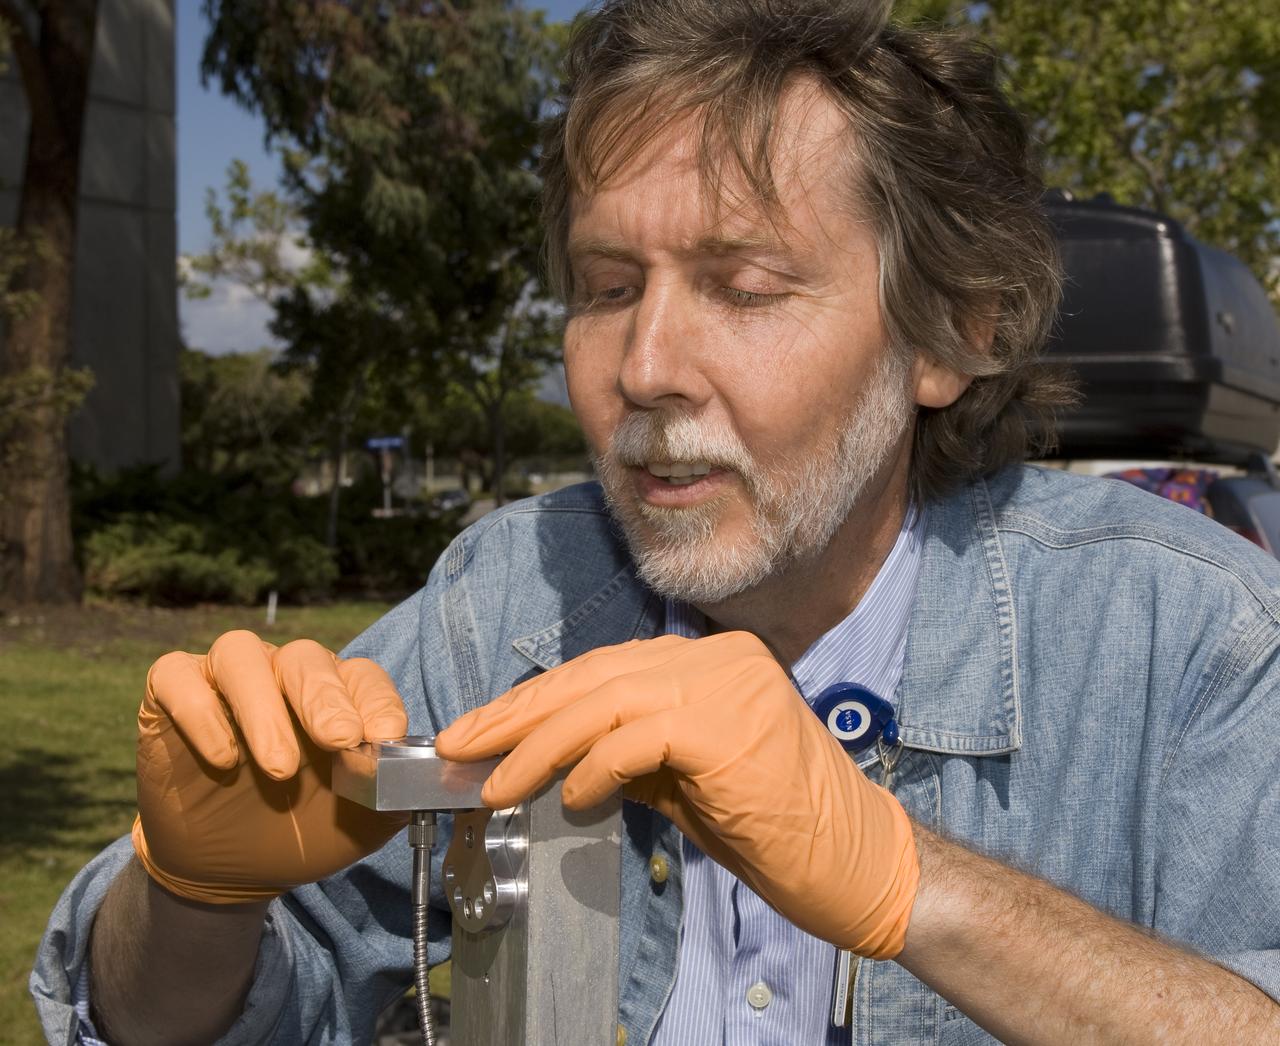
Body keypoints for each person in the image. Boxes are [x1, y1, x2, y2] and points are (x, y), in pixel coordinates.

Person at [32, 1, 1280, 1043]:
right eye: (605, 289)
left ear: (955, 330)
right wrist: (193, 891)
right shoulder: (513, 594)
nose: (645, 365)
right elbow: (179, 1008)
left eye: (744, 287)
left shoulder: (1191, 638)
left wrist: (915, 885)